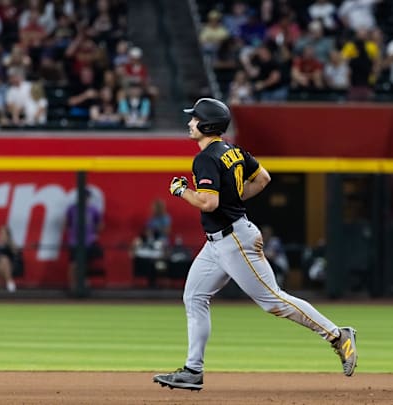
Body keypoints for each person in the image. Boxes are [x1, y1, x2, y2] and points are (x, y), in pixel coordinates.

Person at [153, 97, 357, 390]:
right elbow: (262, 178)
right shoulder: (232, 151)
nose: (190, 122)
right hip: (217, 243)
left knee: (274, 301)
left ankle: (338, 335)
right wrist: (233, 200)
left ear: (206, 124)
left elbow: (208, 203)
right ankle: (192, 370)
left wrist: (181, 190)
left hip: (234, 239)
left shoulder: (206, 158)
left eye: (194, 118)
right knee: (194, 298)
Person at [65, 188, 104, 290]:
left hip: (88, 241)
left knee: (84, 263)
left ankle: (83, 282)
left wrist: (93, 232)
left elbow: (99, 224)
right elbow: (67, 223)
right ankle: (72, 285)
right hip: (74, 241)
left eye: (87, 197)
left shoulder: (93, 209)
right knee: (73, 264)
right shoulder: (72, 209)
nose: (86, 199)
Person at [0, 225, 18, 292]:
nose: (1, 235)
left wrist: (9, 243)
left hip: (11, 267)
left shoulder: (11, 243)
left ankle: (9, 282)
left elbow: (16, 253)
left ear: (8, 234)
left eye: (3, 233)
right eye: (0, 233)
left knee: (5, 259)